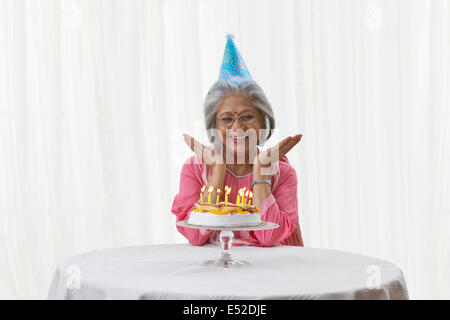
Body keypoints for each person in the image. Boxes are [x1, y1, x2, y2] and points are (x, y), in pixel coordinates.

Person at [171, 34, 303, 247]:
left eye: (247, 117)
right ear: (215, 125)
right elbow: (195, 237)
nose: (238, 128)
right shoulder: (194, 169)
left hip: (268, 274)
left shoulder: (283, 173)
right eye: (227, 119)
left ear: (262, 120)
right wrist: (218, 170)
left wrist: (261, 171)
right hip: (213, 271)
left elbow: (269, 238)